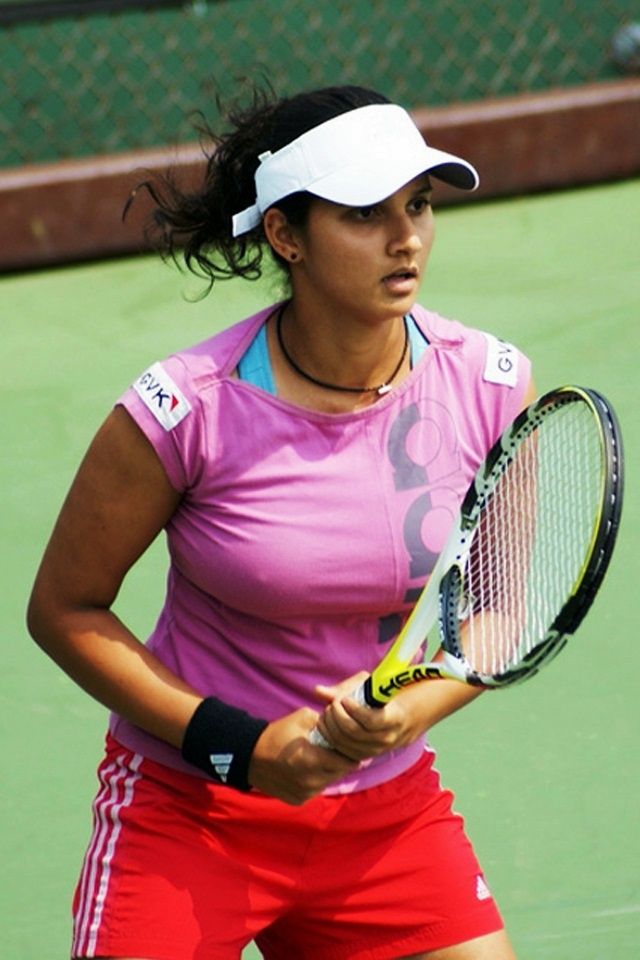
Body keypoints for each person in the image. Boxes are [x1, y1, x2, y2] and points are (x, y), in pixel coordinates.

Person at [27, 84, 536, 960]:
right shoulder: (186, 407)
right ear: (285, 235)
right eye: (365, 213)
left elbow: (497, 611)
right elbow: (64, 610)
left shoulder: (489, 385)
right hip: (192, 812)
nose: (407, 237)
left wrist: (410, 710)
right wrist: (246, 748)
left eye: (418, 204)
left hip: (386, 820)